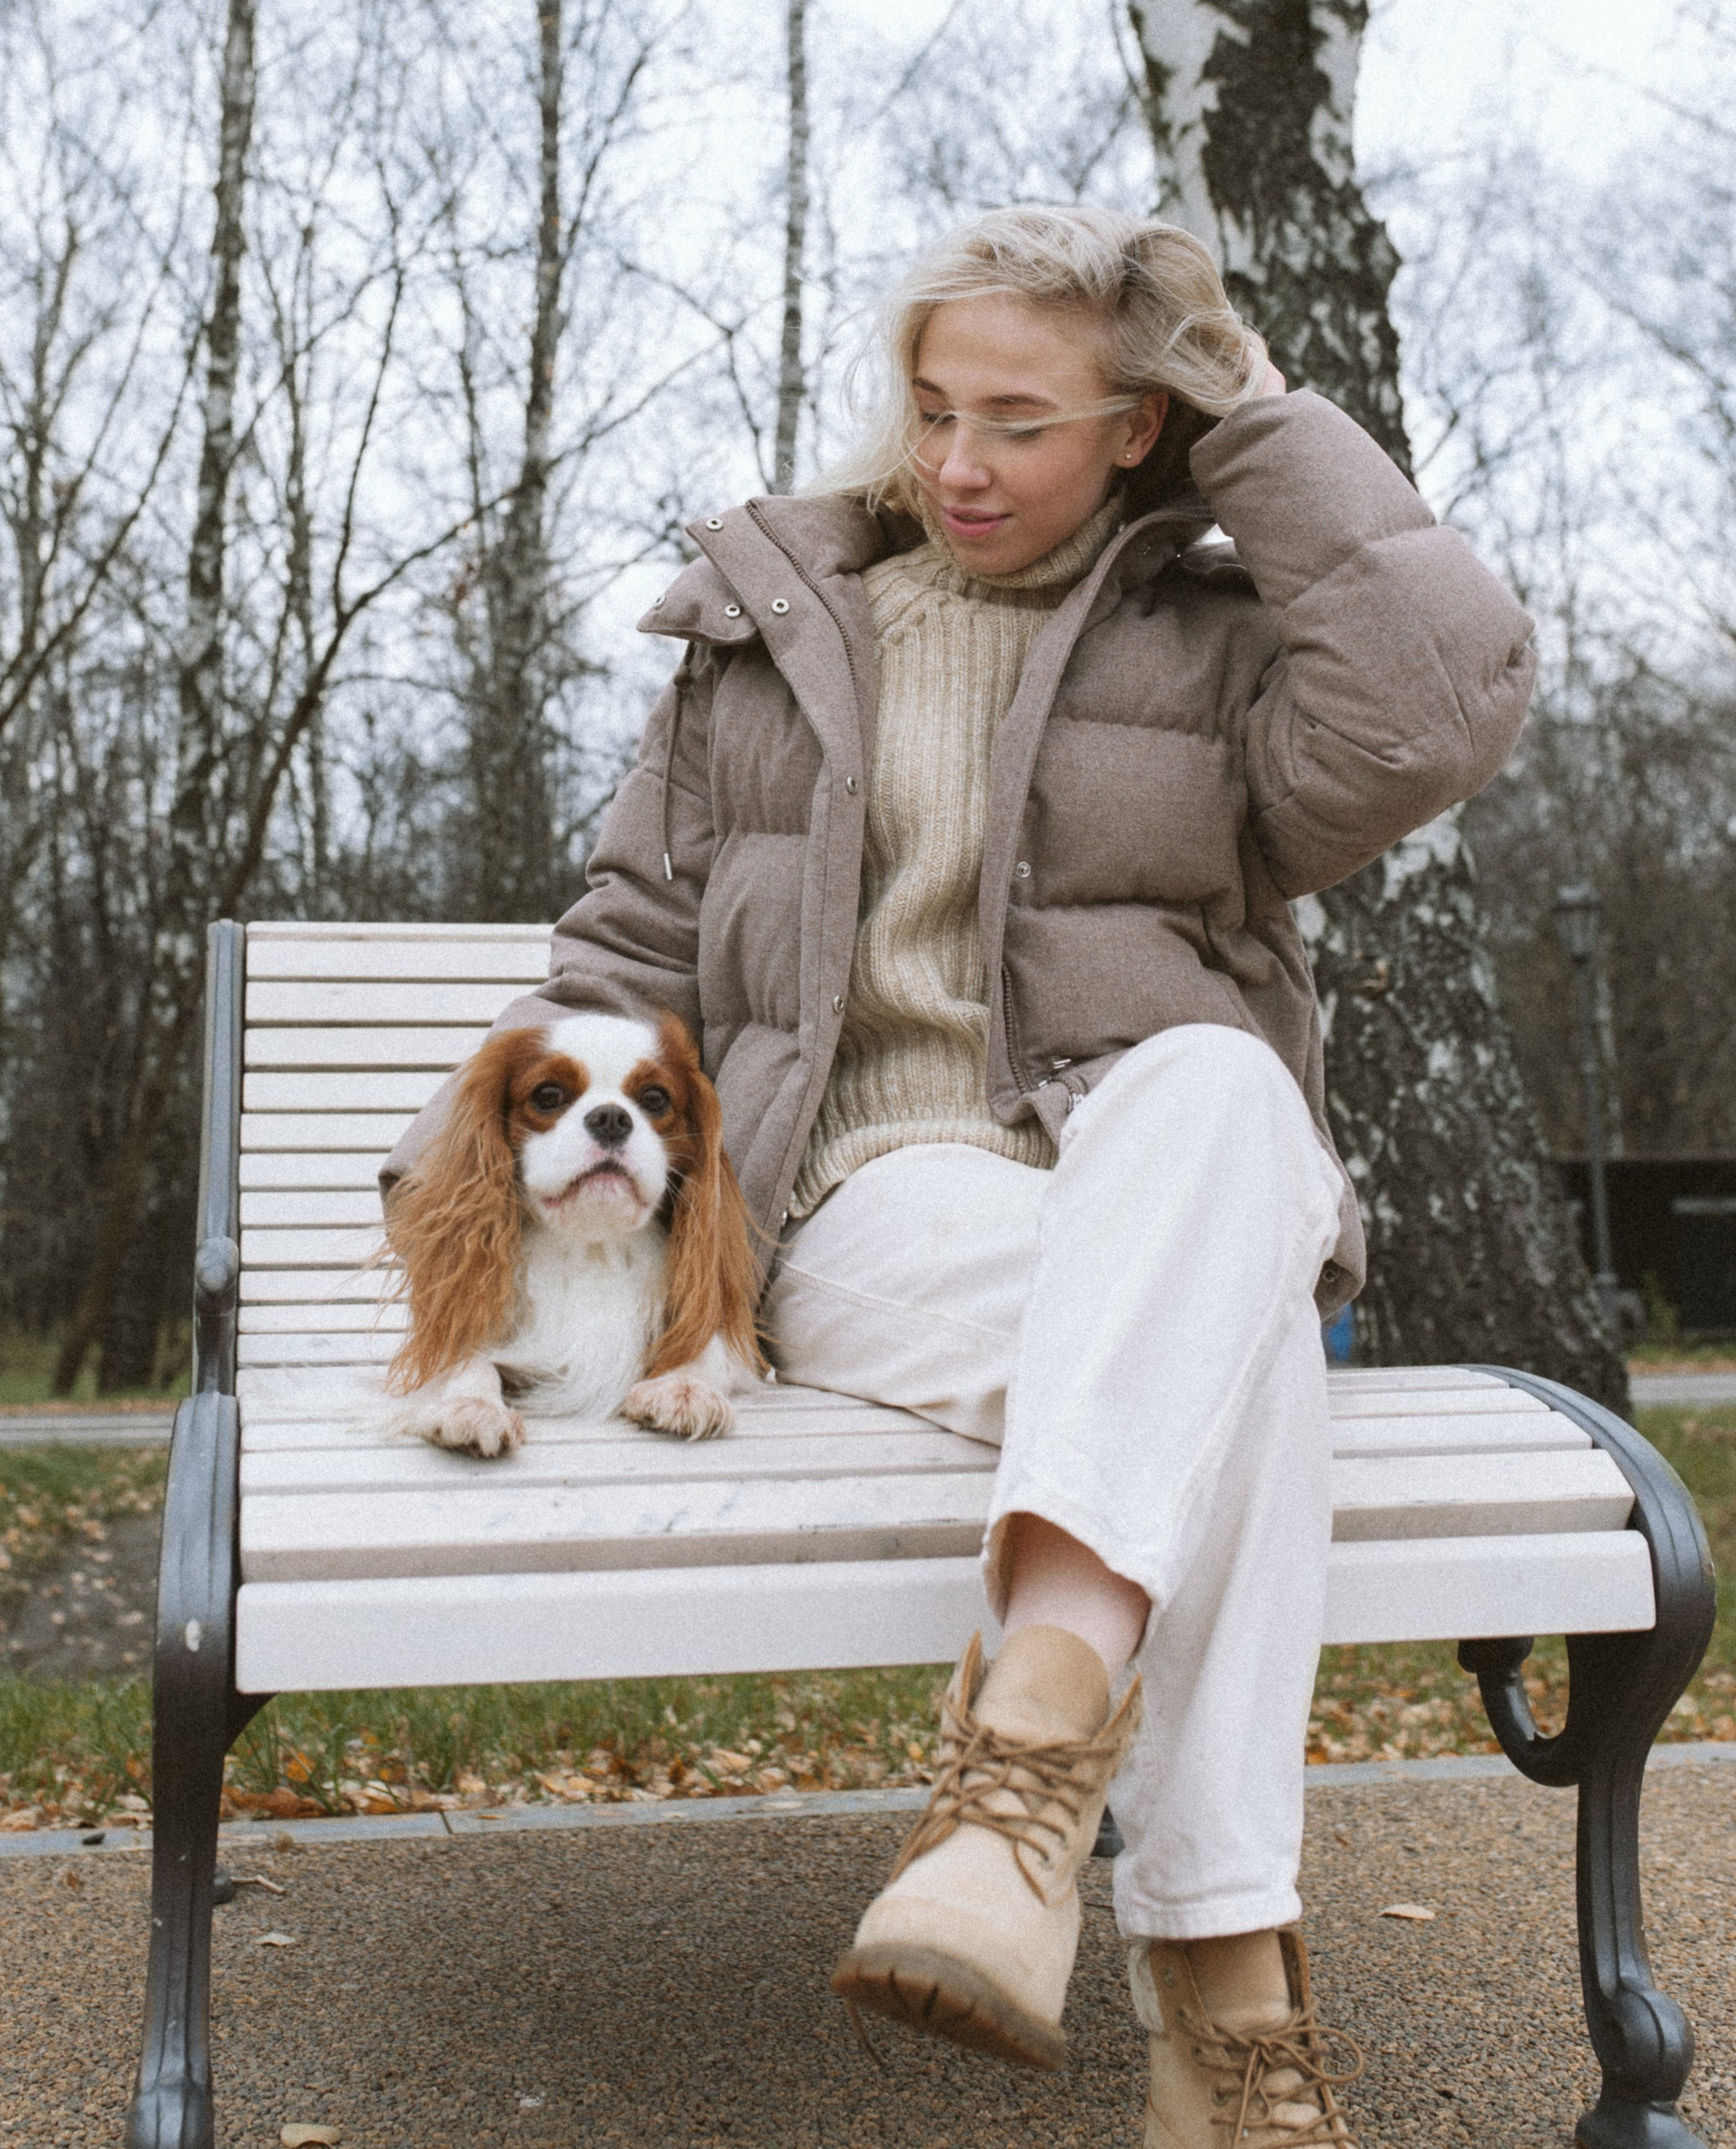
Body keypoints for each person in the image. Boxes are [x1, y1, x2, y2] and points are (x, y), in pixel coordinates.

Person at [380, 205, 1535, 2145]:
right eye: (930, 409)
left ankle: (1018, 1770)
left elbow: (1443, 702)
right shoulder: (768, 634)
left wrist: (1253, 401)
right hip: (870, 1200)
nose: (956, 463)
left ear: (1135, 430)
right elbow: (624, 955)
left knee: (1215, 1094)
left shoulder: (1220, 639)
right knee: (1230, 1366)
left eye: (1016, 417)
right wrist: (480, 1200)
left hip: (1160, 1170)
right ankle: (1224, 2006)